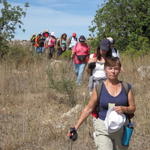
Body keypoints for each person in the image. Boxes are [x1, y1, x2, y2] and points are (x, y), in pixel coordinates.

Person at [68, 57, 136, 150]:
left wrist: (124, 109)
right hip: (102, 126)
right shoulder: (99, 88)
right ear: (105, 70)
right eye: (110, 68)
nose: (113, 71)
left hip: (121, 128)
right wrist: (75, 127)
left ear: (120, 70)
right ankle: (98, 136)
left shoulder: (126, 87)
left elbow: (133, 108)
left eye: (116, 68)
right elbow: (89, 108)